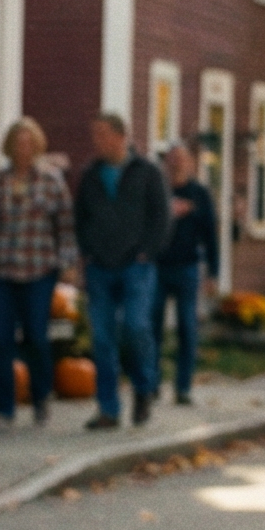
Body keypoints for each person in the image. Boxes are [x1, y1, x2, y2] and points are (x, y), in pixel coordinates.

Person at [0, 117, 76, 431]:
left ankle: (40, 397)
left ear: (37, 146)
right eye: (17, 143)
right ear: (9, 147)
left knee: (36, 337)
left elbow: (65, 228)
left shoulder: (51, 183)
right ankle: (5, 407)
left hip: (39, 270)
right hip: (0, 270)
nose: (22, 149)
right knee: (0, 338)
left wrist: (67, 264)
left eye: (28, 143)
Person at [72, 112, 170, 431]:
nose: (96, 142)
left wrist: (148, 251)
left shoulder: (147, 172)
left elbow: (161, 215)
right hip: (100, 266)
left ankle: (143, 389)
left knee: (135, 326)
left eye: (102, 135)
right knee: (102, 338)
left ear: (120, 136)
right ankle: (108, 409)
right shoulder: (91, 176)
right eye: (94, 135)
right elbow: (81, 218)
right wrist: (86, 253)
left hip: (136, 266)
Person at [155, 142, 219, 407]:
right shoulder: (158, 191)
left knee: (187, 328)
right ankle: (152, 383)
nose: (177, 163)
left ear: (190, 163)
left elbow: (210, 235)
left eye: (182, 159)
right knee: (151, 326)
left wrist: (213, 273)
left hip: (188, 267)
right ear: (166, 163)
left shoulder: (199, 194)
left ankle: (183, 386)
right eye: (172, 159)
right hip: (157, 267)